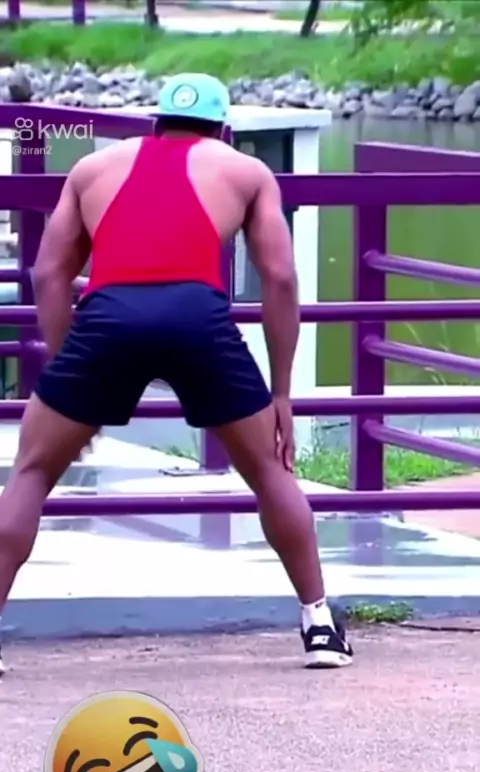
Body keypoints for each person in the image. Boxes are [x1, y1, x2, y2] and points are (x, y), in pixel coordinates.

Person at [0, 73, 353, 675]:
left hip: (108, 318)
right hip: (198, 319)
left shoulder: (92, 169)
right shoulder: (246, 172)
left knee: (32, 472)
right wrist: (282, 395)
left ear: (155, 123)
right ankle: (318, 624)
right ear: (224, 129)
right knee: (269, 471)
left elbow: (48, 275)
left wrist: (66, 373)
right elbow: (280, 278)